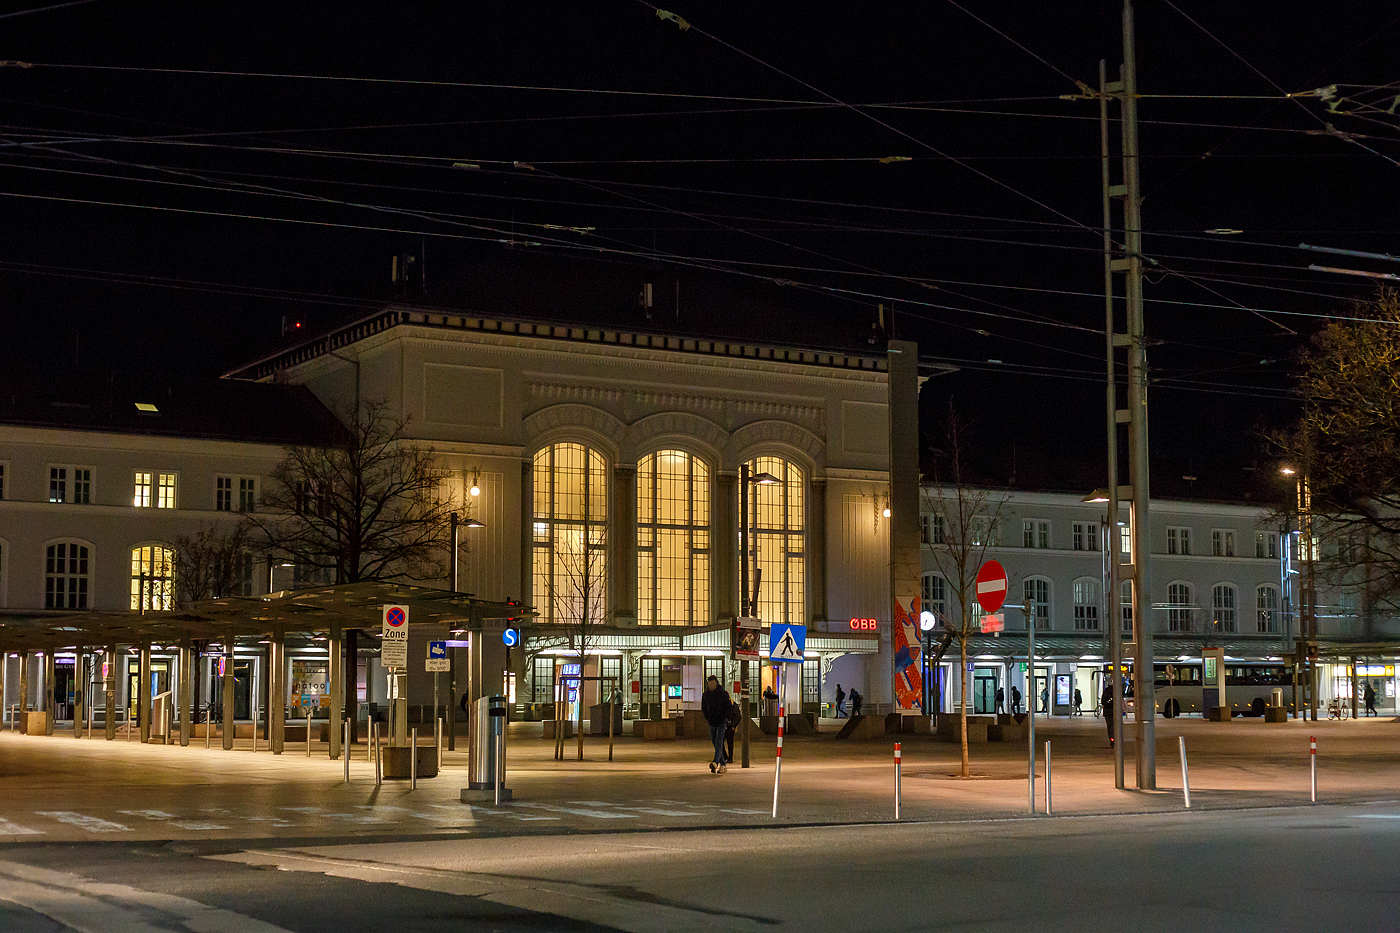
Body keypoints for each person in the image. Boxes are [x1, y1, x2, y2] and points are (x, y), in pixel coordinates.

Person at [701, 675, 731, 773]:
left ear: (716, 683)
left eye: (712, 684)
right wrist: (708, 718)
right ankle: (723, 764)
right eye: (709, 684)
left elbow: (728, 707)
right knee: (714, 742)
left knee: (719, 742)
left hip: (721, 722)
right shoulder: (706, 695)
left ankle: (715, 762)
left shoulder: (723, 694)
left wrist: (725, 718)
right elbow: (704, 708)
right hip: (712, 722)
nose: (711, 686)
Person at [724, 696, 742, 763]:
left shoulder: (733, 706)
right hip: (725, 726)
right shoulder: (725, 706)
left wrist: (733, 726)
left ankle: (730, 757)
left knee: (730, 743)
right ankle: (726, 756)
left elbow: (737, 716)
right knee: (720, 742)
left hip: (730, 727)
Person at [1102, 683, 1115, 747]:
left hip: (1107, 711)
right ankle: (1115, 738)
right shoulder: (1115, 691)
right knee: (1114, 726)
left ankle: (1111, 739)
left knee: (1109, 726)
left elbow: (1103, 702)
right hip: (1114, 711)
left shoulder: (1105, 691)